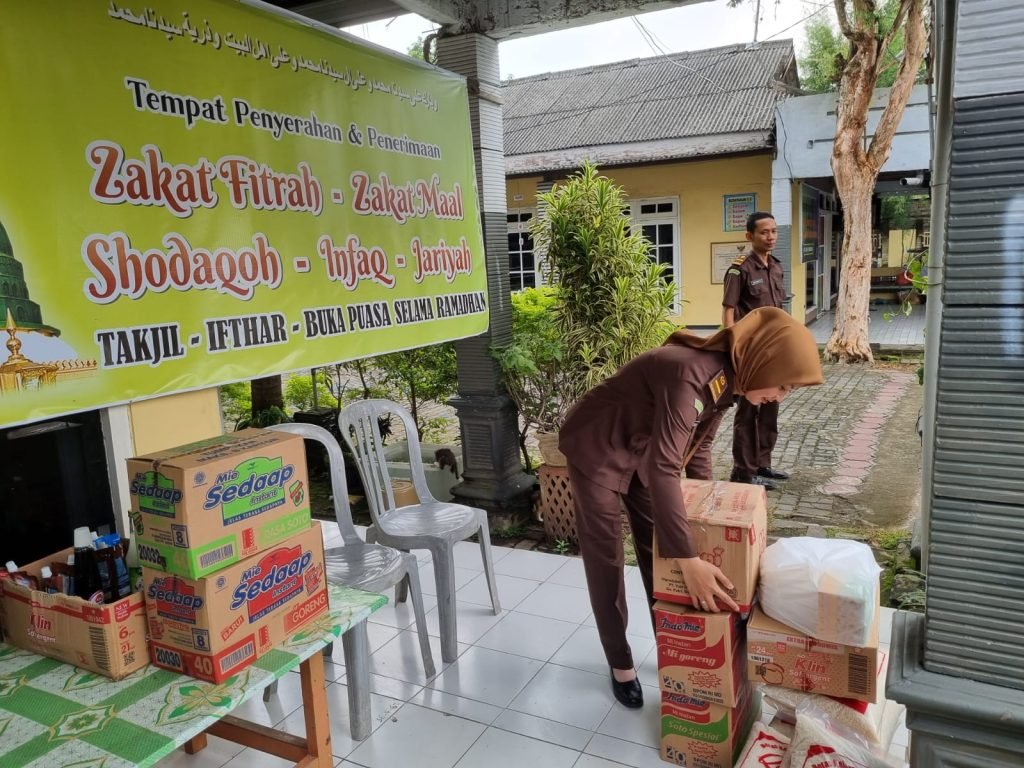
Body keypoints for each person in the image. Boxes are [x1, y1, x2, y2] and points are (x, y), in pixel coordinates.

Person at [558, 307, 823, 709]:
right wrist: (689, 558)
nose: (779, 397)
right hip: (597, 445)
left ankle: (673, 644)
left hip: (641, 452)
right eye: (782, 386)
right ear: (762, 361)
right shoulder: (690, 375)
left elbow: (696, 452)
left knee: (658, 552)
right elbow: (667, 467)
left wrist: (710, 511)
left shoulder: (729, 381)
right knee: (607, 558)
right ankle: (620, 663)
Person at [722, 211, 789, 490]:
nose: (771, 236)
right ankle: (743, 471)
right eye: (764, 232)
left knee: (770, 408)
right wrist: (733, 347)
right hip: (751, 352)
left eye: (773, 231)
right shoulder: (740, 269)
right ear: (750, 236)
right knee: (749, 413)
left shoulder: (775, 266)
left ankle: (763, 464)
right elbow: (728, 311)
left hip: (773, 350)